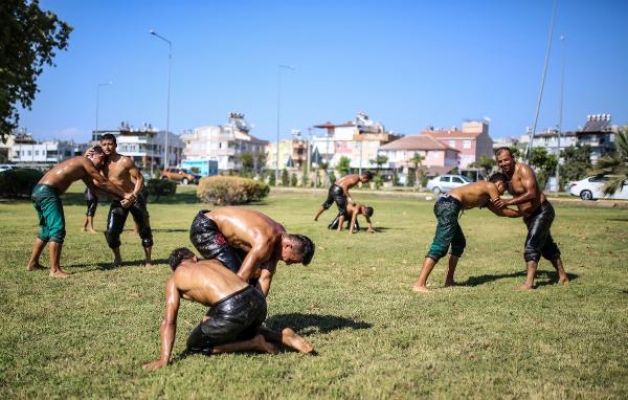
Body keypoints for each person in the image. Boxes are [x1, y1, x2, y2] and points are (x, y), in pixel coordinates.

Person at [142, 247, 315, 370]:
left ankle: (254, 343)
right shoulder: (213, 262)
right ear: (194, 258)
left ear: (176, 268)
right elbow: (246, 275)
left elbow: (169, 321)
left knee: (194, 345)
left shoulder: (174, 279)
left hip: (233, 308)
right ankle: (282, 336)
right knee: (240, 326)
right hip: (257, 300)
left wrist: (164, 359)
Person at [26, 146, 132, 278]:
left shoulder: (82, 168)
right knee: (57, 229)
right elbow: (102, 181)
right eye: (101, 158)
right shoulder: (84, 161)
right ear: (92, 154)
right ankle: (54, 270)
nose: (102, 163)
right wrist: (125, 193)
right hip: (48, 192)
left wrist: (116, 197)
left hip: (39, 191)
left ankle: (32, 263)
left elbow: (94, 188)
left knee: (46, 231)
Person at [412, 172, 522, 293]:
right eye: (504, 189)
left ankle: (449, 281)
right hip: (448, 206)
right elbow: (502, 206)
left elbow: (501, 212)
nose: (502, 192)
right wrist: (520, 203)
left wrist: (523, 213)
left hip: (446, 205)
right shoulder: (491, 186)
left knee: (459, 243)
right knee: (440, 245)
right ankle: (419, 284)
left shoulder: (484, 195)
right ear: (500, 183)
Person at [189, 207, 315, 297]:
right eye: (292, 260)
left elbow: (266, 277)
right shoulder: (265, 242)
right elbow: (240, 279)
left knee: (253, 277)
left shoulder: (279, 238)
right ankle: (217, 321)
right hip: (205, 227)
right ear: (288, 246)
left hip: (222, 233)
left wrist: (258, 312)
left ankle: (248, 322)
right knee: (233, 277)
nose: (287, 263)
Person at [493, 147, 569, 290]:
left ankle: (529, 283)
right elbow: (492, 186)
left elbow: (532, 193)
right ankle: (563, 276)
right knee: (547, 247)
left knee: (531, 246)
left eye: (506, 160)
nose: (503, 163)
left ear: (513, 158)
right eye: (500, 161)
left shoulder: (523, 170)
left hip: (542, 211)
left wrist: (507, 202)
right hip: (529, 216)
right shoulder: (503, 175)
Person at [99, 133, 154, 268]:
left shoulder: (124, 161)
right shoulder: (101, 163)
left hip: (134, 198)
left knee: (144, 229)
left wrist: (133, 197)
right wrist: (86, 155)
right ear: (101, 146)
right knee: (111, 232)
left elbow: (140, 179)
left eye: (110, 144)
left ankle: (148, 260)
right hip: (118, 201)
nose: (107, 147)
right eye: (104, 144)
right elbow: (85, 167)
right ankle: (118, 259)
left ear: (115, 145)